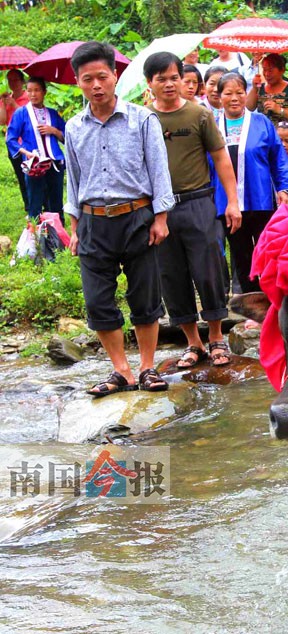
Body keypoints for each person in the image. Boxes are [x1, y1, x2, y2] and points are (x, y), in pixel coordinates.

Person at [64, 41, 175, 396]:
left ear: (115, 75)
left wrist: (161, 217)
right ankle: (121, 370)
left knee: (145, 296)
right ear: (78, 82)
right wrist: (75, 227)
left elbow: (159, 170)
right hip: (93, 221)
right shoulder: (73, 127)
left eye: (102, 77)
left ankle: (147, 367)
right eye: (87, 79)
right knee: (97, 300)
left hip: (137, 217)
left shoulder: (142, 119)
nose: (96, 85)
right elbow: (73, 179)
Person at [144, 52, 243, 369]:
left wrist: (232, 201)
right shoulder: (143, 119)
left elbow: (221, 158)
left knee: (209, 270)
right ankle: (193, 342)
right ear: (150, 83)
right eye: (161, 79)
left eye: (174, 77)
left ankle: (216, 337)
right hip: (159, 209)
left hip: (199, 201)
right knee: (170, 273)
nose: (169, 84)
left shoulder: (199, 115)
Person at [213, 72, 288, 293]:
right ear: (219, 96)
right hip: (228, 203)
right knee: (240, 253)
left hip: (260, 198)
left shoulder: (261, 123)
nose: (234, 98)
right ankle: (250, 297)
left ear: (247, 94)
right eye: (228, 93)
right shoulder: (211, 125)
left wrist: (284, 188)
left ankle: (272, 295)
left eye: (239, 92)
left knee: (268, 248)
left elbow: (277, 156)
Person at [5, 77, 66, 223]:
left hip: (54, 162)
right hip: (34, 164)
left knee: (56, 203)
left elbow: (67, 137)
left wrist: (54, 131)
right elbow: (11, 138)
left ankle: (58, 233)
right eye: (30, 91)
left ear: (44, 92)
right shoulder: (21, 113)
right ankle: (35, 234)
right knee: (35, 203)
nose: (33, 94)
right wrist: (26, 153)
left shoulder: (53, 113)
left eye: (37, 90)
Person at [1, 69, 30, 211]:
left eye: (15, 80)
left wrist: (13, 104)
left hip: (27, 142)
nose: (12, 83)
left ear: (22, 81)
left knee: (31, 174)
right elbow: (2, 121)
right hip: (12, 143)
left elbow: (28, 117)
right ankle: (28, 206)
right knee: (20, 175)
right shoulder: (7, 99)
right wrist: (2, 103)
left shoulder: (29, 97)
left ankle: (40, 203)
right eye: (10, 80)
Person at [246, 53, 288, 124]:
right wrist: (254, 88)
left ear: (282, 70)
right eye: (264, 70)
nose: (267, 74)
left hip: (284, 130)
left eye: (270, 70)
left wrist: (279, 110)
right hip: (264, 129)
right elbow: (249, 107)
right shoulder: (260, 88)